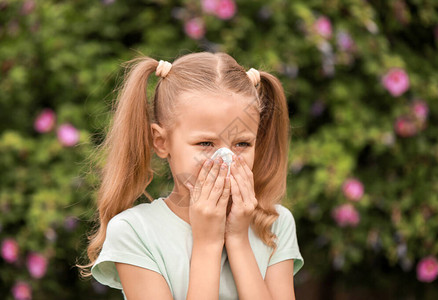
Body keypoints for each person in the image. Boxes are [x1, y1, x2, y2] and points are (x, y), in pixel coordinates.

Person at [77, 52, 304, 300]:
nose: (225, 159)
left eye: (242, 144)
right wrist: (207, 244)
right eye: (205, 143)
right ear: (162, 142)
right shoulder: (135, 232)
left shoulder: (274, 224)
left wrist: (238, 240)